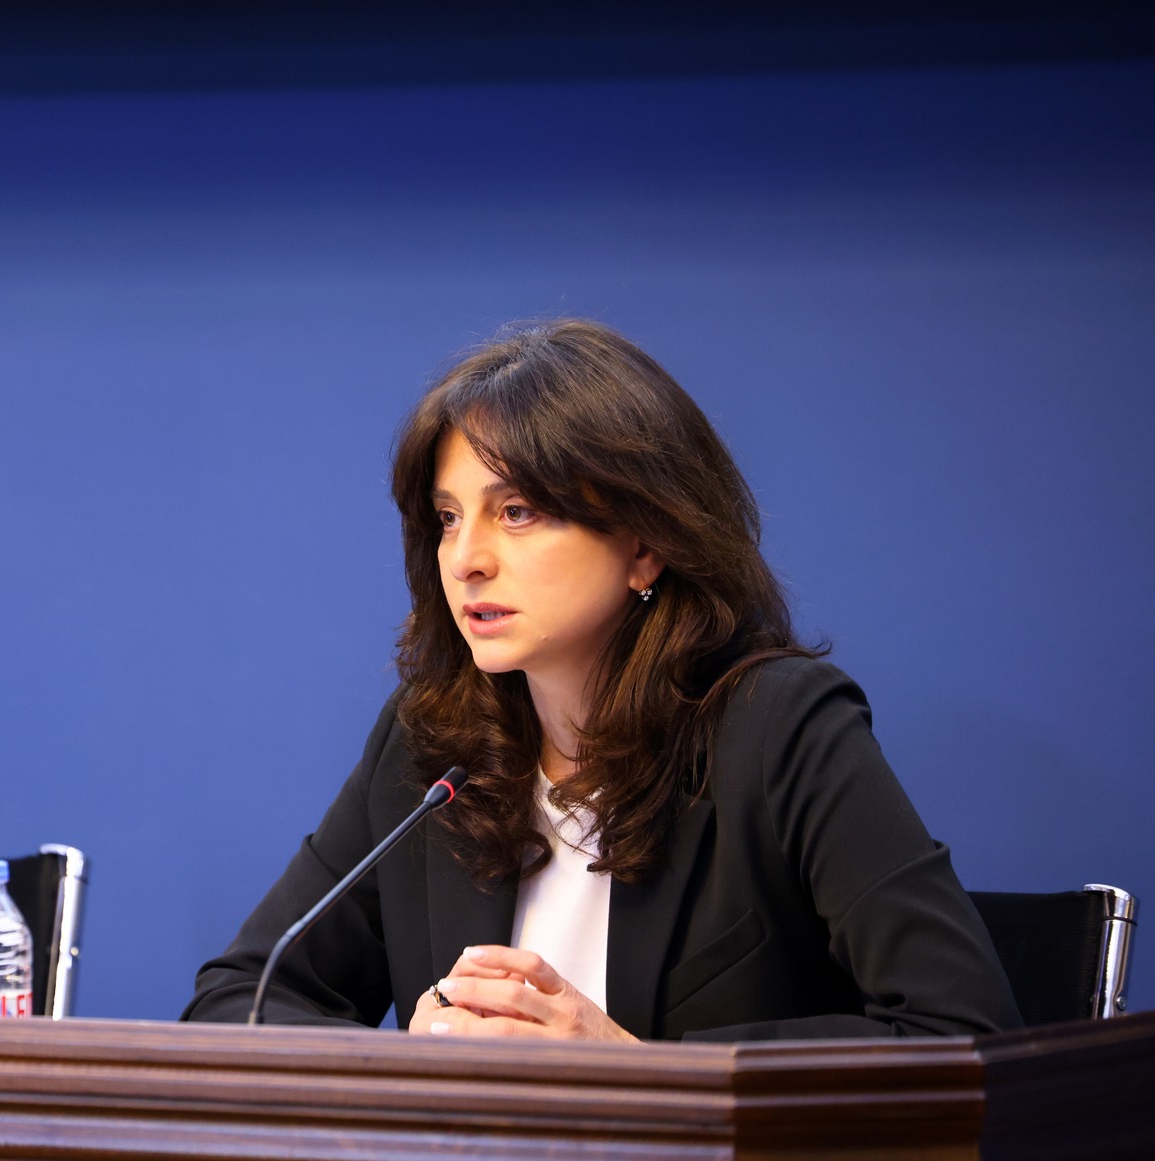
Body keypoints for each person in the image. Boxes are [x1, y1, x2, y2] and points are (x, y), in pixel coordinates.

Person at [183, 320, 1019, 1041]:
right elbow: (238, 1000)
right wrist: (414, 1060)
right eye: (448, 518)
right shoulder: (430, 750)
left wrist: (639, 1070)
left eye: (516, 512)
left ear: (645, 543)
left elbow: (960, 1032)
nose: (467, 559)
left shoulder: (778, 731)